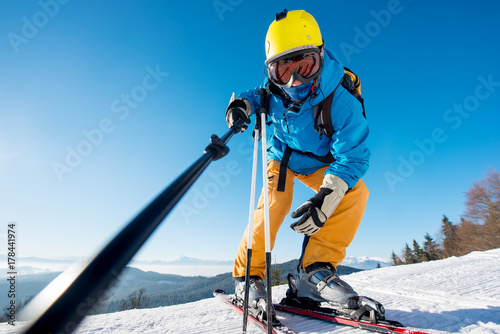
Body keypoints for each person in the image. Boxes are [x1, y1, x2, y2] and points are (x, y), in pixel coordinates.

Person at [225, 9, 372, 320]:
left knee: (355, 194)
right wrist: (242, 105)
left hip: (320, 162)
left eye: (304, 66)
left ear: (319, 56)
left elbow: (354, 155)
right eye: (283, 71)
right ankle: (248, 278)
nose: (294, 81)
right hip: (283, 156)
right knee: (275, 202)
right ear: (271, 72)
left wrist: (327, 198)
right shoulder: (272, 91)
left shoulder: (341, 99)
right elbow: (255, 96)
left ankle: (314, 274)